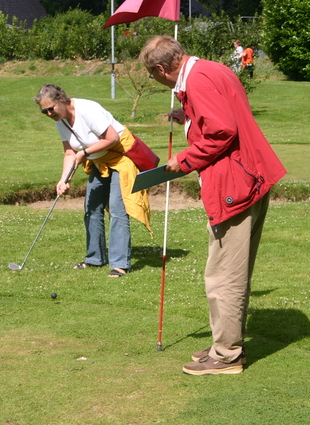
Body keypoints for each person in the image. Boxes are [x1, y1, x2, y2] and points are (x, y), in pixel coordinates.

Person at [140, 36, 287, 375]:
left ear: (161, 68)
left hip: (235, 183)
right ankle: (225, 342)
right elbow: (222, 114)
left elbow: (222, 130)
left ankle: (226, 355)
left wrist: (185, 159)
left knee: (223, 275)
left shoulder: (197, 80)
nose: (154, 80)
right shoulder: (210, 70)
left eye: (152, 75)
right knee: (229, 272)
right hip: (249, 175)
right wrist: (188, 115)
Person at [34, 84, 151, 278]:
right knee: (92, 207)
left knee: (117, 209)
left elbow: (112, 138)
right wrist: (63, 180)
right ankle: (95, 258)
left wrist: (85, 153)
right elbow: (70, 152)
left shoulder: (87, 109)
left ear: (62, 100)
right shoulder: (60, 120)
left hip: (122, 158)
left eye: (50, 108)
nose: (48, 113)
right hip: (99, 160)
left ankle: (120, 264)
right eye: (43, 111)